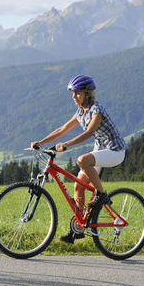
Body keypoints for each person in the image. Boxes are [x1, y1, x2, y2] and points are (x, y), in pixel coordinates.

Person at [31, 74, 127, 243]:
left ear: (87, 94)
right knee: (78, 186)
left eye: (77, 93)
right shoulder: (80, 112)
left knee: (82, 160)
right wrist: (41, 142)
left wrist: (66, 145)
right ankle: (78, 228)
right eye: (73, 93)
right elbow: (62, 129)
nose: (74, 97)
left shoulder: (97, 109)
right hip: (100, 151)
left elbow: (89, 132)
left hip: (115, 151)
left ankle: (102, 195)